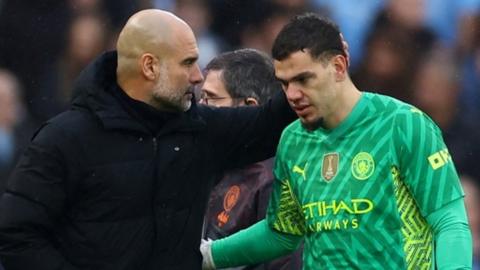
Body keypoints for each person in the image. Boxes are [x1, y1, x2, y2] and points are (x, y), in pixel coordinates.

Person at [0, 9, 296, 270]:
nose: (197, 76)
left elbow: (271, 122)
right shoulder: (66, 139)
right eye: (188, 63)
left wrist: (313, 67)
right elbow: (16, 235)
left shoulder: (201, 129)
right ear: (149, 66)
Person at [201, 13, 472, 269]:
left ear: (338, 66)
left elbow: (448, 221)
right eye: (284, 83)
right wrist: (209, 256)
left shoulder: (403, 124)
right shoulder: (293, 140)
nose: (292, 94)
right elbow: (281, 232)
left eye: (303, 79)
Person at [199, 48, 302, 270]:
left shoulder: (275, 178)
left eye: (211, 99)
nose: (201, 110)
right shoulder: (210, 164)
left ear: (249, 107)